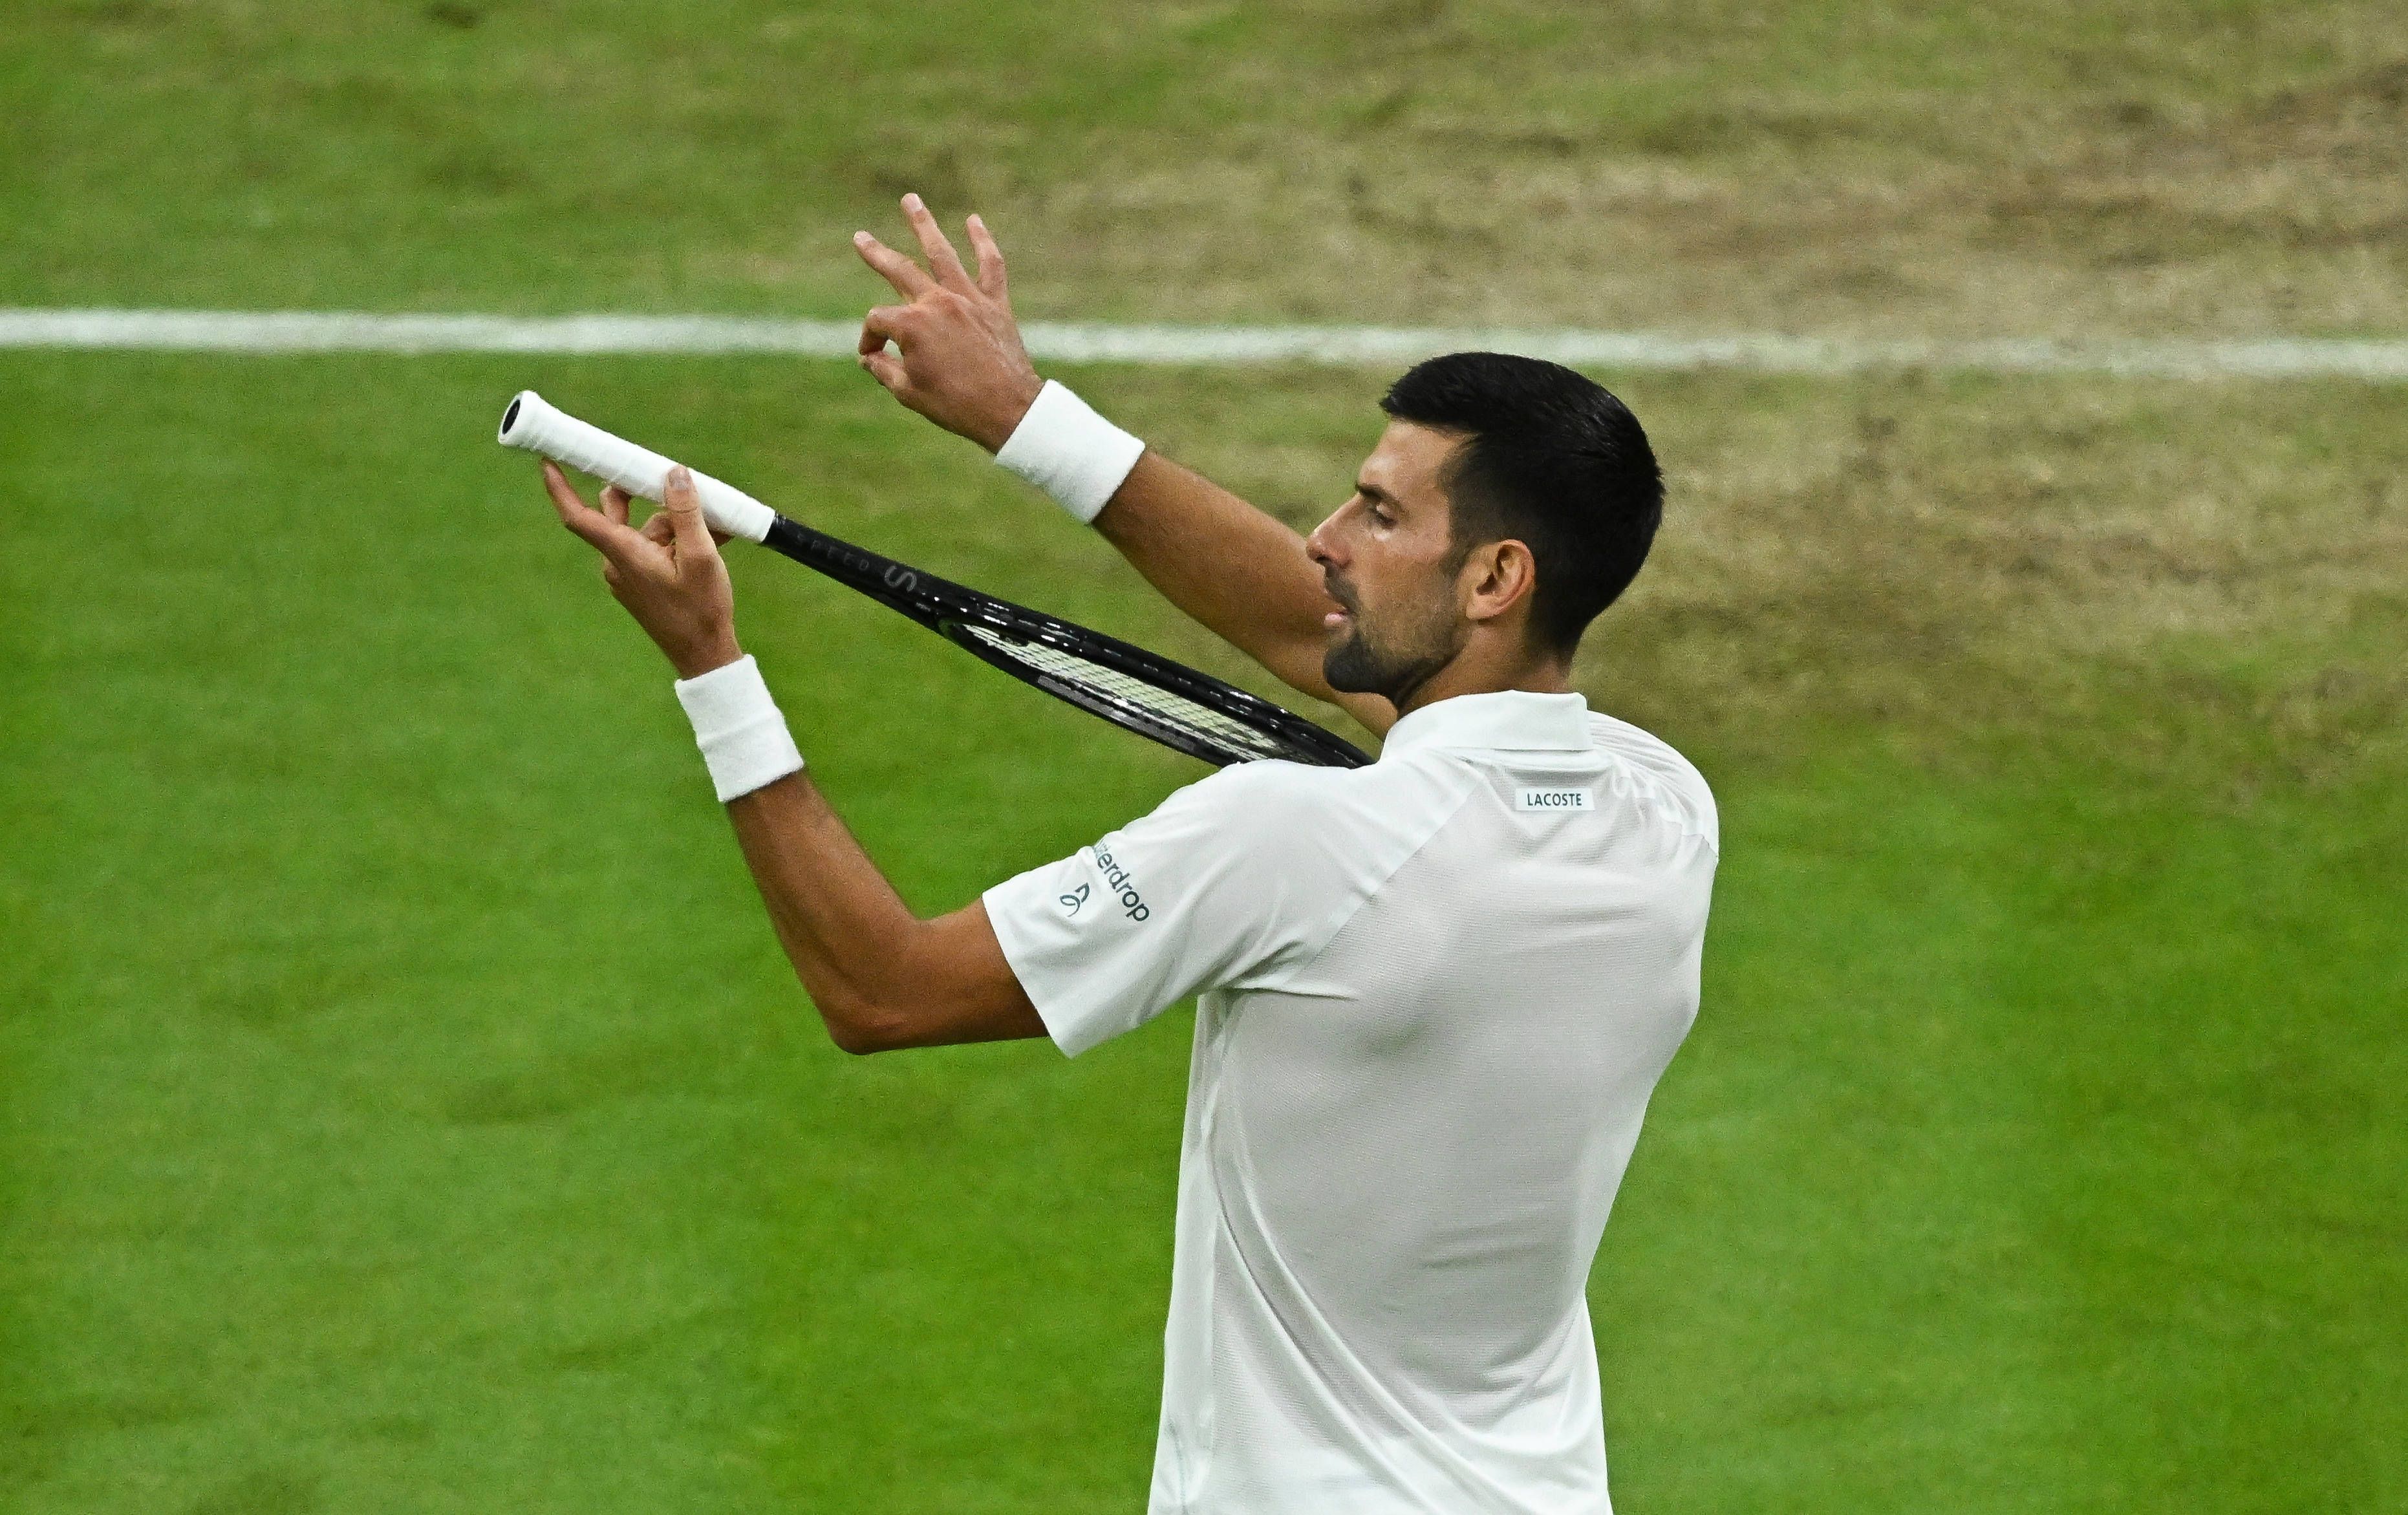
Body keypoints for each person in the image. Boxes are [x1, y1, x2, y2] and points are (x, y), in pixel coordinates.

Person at [539, 193, 1717, 1514]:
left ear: (1496, 578)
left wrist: (712, 665)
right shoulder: (1664, 812)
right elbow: (1310, 630)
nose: (1326, 536)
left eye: (1379, 516)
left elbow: (884, 988)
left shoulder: (1287, 840)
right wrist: (1019, 415)